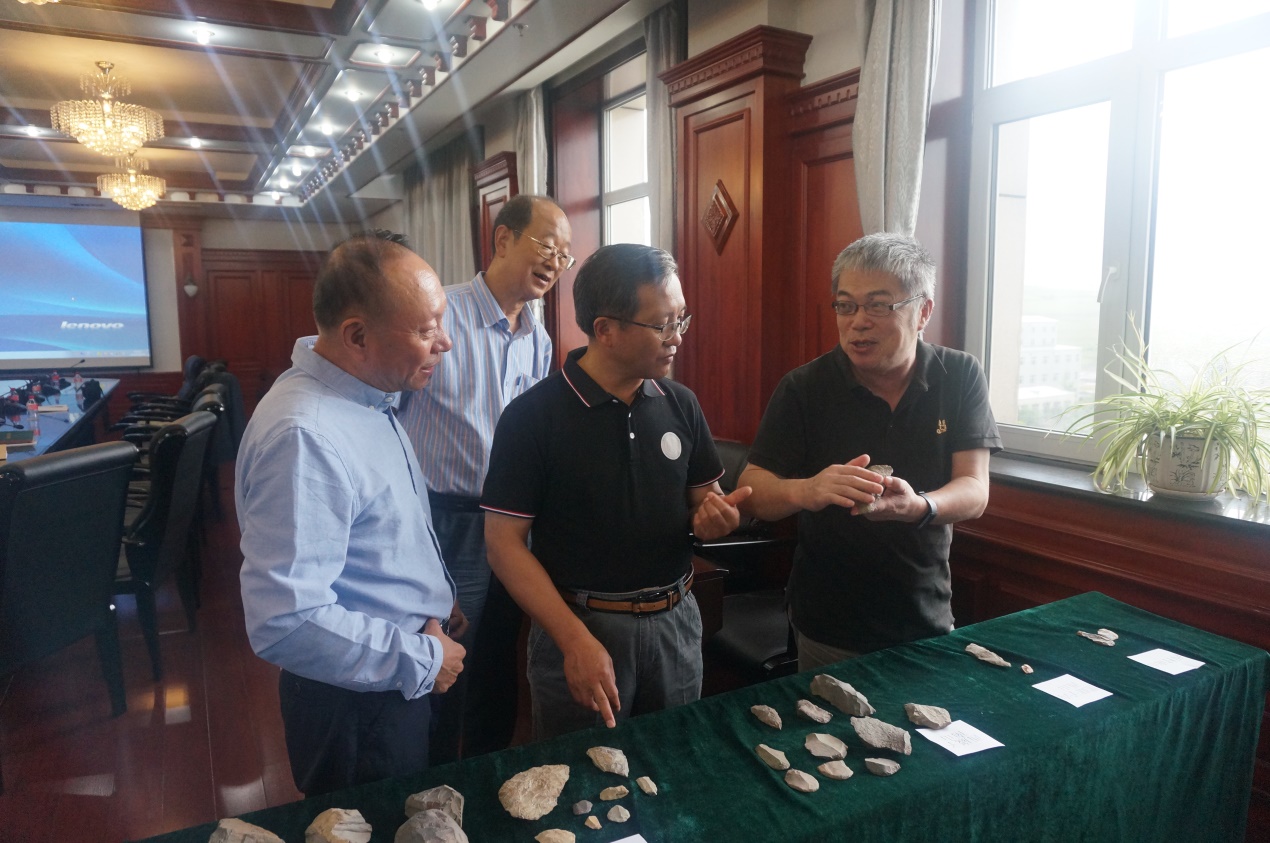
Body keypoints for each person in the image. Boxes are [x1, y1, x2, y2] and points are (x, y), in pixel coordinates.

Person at [482, 243, 750, 740]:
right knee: (581, 774)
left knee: (674, 762)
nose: (677, 337)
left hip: (676, 622)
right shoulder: (533, 418)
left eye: (681, 319)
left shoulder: (680, 403)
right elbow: (503, 544)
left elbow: (705, 501)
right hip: (582, 625)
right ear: (605, 329)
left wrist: (716, 517)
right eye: (662, 324)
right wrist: (572, 640)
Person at [236, 230, 466, 796]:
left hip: (397, 665)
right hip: (358, 701)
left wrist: (434, 598)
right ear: (357, 336)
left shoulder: (366, 395)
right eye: (426, 329)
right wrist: (421, 658)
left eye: (441, 321)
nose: (445, 343)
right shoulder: (306, 435)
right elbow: (285, 621)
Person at [738, 232, 1002, 670]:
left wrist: (919, 507)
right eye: (846, 306)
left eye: (878, 306)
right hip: (829, 623)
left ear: (923, 311)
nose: (858, 322)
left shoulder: (959, 375)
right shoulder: (805, 387)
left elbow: (975, 489)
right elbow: (752, 491)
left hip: (926, 612)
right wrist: (809, 490)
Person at [396, 194, 572, 761]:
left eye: (564, 256)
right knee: (446, 659)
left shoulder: (539, 338)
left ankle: (487, 770)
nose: (555, 262)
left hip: (512, 523)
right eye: (547, 246)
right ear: (502, 239)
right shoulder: (440, 315)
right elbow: (388, 415)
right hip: (444, 520)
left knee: (498, 656)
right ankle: (435, 777)